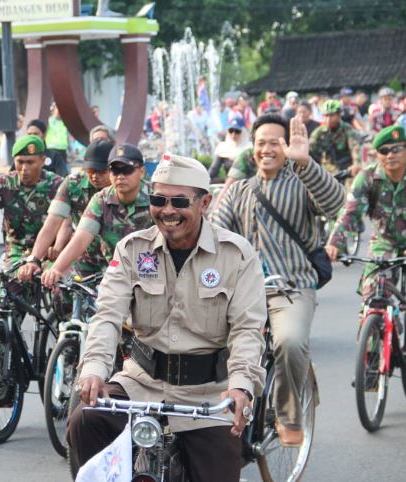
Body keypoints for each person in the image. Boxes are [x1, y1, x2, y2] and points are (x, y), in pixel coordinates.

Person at [68, 154, 266, 482]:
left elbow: (247, 329)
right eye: (158, 200)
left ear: (205, 202)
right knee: (85, 420)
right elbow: (107, 315)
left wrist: (240, 385)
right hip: (141, 383)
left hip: (207, 395)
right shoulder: (133, 249)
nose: (167, 211)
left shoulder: (236, 254)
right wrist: (94, 370)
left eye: (179, 201)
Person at [212, 115, 345, 445]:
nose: (267, 149)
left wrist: (307, 163)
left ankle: (287, 415)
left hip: (292, 288)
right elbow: (213, 233)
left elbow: (337, 204)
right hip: (242, 293)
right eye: (261, 143)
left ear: (287, 146)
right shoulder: (238, 191)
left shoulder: (302, 184)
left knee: (288, 342)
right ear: (252, 148)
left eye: (275, 142)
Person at [40, 143, 153, 289]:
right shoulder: (101, 199)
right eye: (115, 171)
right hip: (113, 269)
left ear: (142, 172)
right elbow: (81, 237)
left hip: (149, 268)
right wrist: (56, 268)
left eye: (127, 170)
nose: (120, 176)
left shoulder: (157, 197)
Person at [326, 125, 406, 299]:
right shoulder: (368, 177)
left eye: (397, 149)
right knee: (373, 296)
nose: (390, 155)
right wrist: (334, 243)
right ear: (377, 155)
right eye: (384, 151)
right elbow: (350, 212)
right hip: (384, 242)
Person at [17, 139, 114, 282]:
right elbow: (52, 223)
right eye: (91, 171)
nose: (95, 176)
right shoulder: (73, 184)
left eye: (101, 171)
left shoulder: (123, 187)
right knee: (59, 291)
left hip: (117, 261)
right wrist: (34, 259)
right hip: (83, 259)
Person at [0, 135, 63, 265]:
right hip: (16, 251)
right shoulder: (3, 185)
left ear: (42, 161)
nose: (24, 168)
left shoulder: (57, 185)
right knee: (12, 281)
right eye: (20, 162)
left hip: (49, 251)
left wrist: (58, 247)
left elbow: (67, 222)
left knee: (53, 282)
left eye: (30, 162)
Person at [309, 100, 362, 177]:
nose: (328, 119)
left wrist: (356, 164)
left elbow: (355, 147)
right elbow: (310, 151)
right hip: (326, 170)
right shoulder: (318, 132)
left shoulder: (347, 129)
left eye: (332, 115)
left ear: (339, 115)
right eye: (326, 116)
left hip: (346, 168)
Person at [208, 117, 250, 181]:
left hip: (247, 184)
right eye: (231, 131)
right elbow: (214, 169)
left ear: (243, 132)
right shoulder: (223, 147)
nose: (233, 134)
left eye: (237, 131)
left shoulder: (249, 148)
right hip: (229, 184)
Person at [46, 103, 71, 176]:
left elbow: (67, 136)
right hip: (52, 149)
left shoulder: (64, 122)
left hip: (63, 150)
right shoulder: (49, 121)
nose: (60, 112)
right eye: (58, 109)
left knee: (63, 172)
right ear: (54, 110)